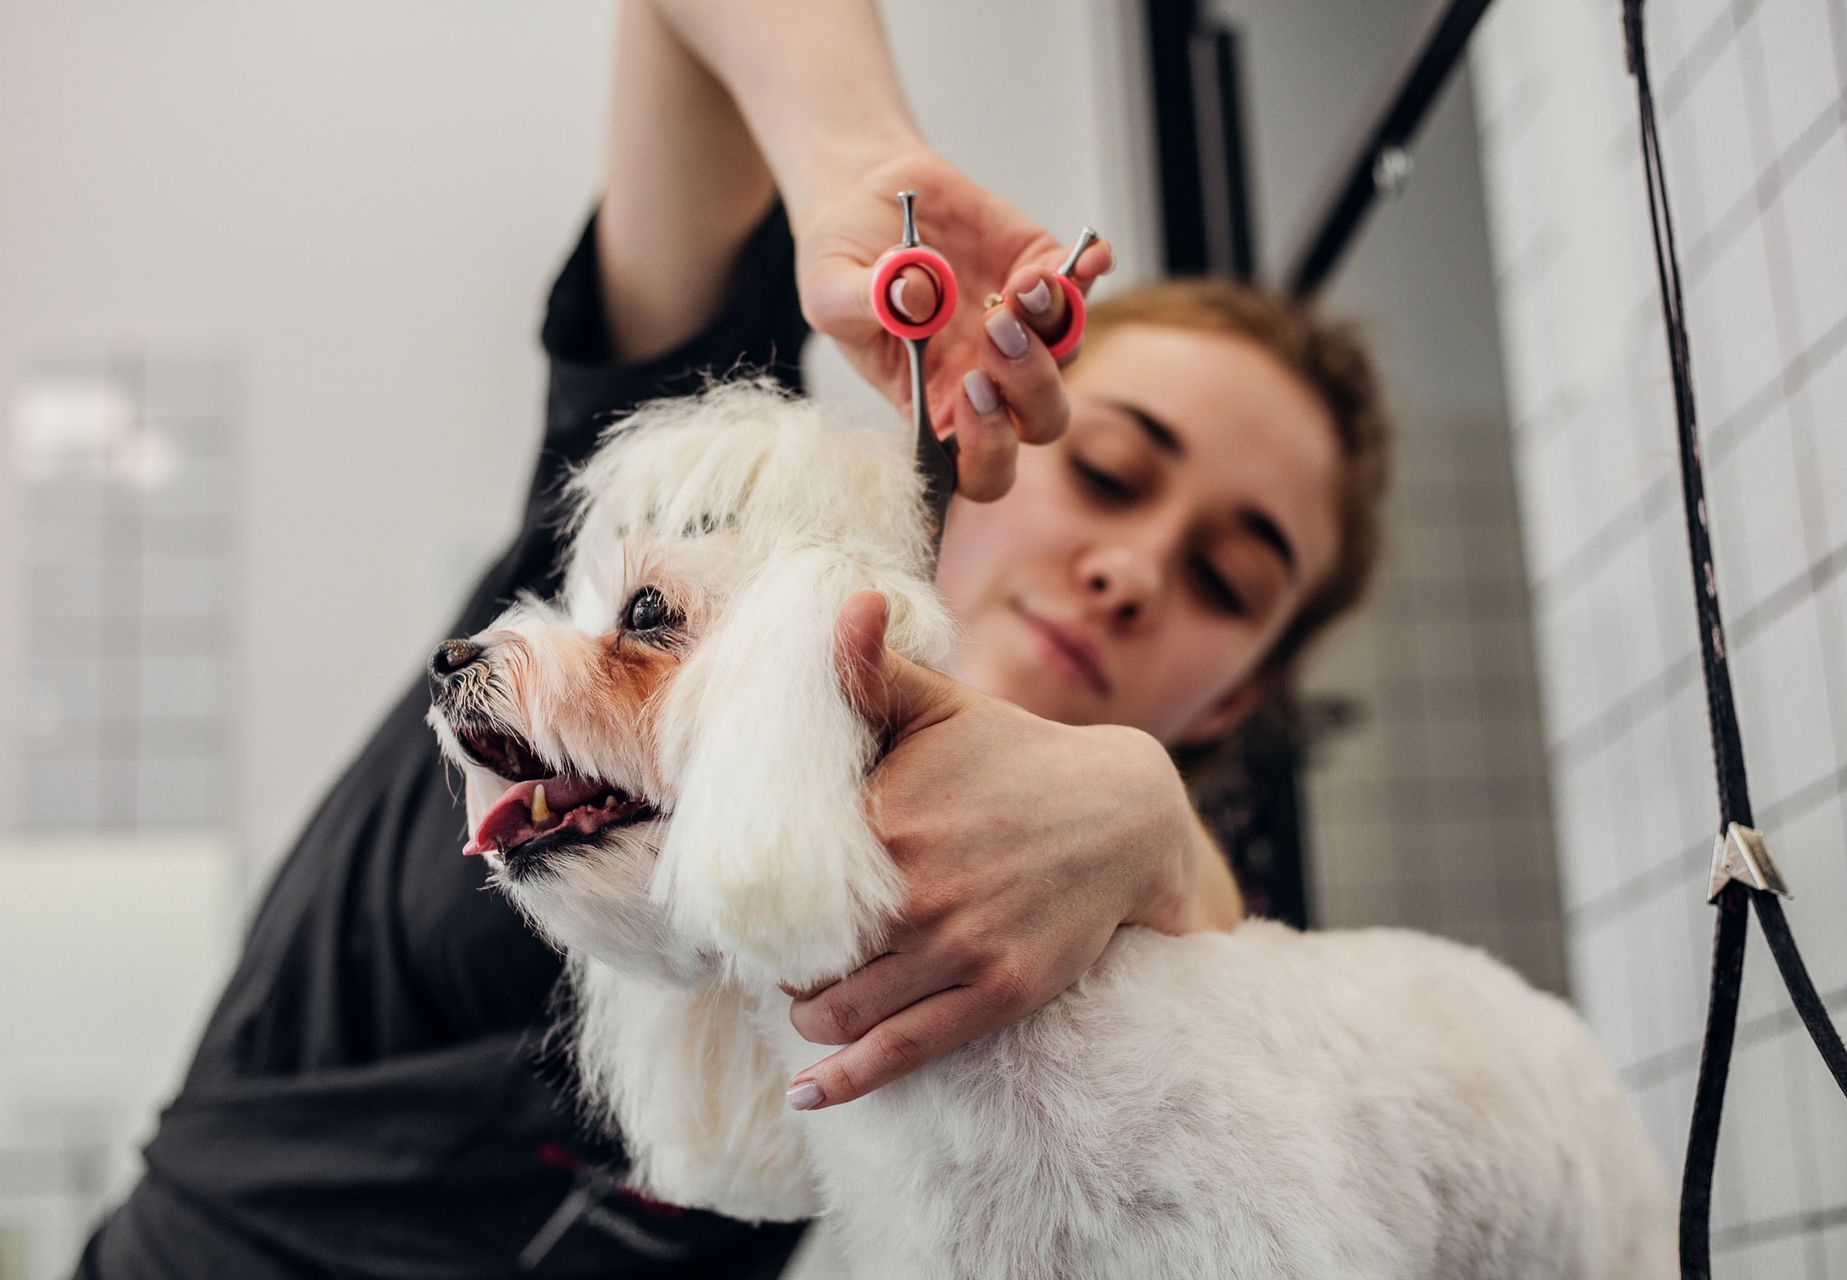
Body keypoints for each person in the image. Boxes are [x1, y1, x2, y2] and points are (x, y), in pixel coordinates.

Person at [74, 2, 1389, 1277]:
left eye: (1225, 580)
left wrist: (1149, 833)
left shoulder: (1133, 940)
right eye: (1105, 470)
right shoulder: (665, 552)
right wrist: (858, 161)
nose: (1133, 570)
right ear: (974, 417)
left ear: (1233, 703)